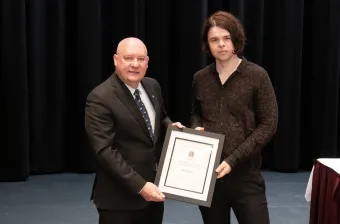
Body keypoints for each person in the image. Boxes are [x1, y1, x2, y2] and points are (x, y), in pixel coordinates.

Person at [191, 11, 278, 224]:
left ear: (236, 39)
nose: (221, 44)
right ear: (208, 45)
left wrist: (233, 160)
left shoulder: (257, 76)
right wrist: (195, 128)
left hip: (245, 176)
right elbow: (196, 113)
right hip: (208, 178)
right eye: (214, 40)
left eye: (226, 38)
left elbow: (268, 124)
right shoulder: (200, 78)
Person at [85, 37, 184, 224]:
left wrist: (170, 127)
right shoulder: (100, 98)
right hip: (119, 201)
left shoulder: (152, 85)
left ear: (147, 62)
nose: (135, 65)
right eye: (128, 58)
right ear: (116, 60)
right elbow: (105, 151)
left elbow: (160, 116)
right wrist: (140, 186)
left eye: (140, 59)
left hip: (153, 195)